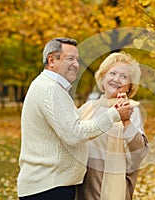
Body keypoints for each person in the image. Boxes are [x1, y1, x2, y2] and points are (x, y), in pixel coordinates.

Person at [17, 38, 133, 200]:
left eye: (77, 60)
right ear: (51, 60)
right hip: (48, 188)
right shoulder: (50, 89)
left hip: (53, 186)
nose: (76, 65)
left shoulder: (51, 88)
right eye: (70, 58)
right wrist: (114, 115)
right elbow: (75, 134)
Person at [77, 52, 148, 200]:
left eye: (124, 76)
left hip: (112, 187)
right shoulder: (87, 108)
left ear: (130, 86)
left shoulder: (131, 110)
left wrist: (126, 121)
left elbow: (139, 154)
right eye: (113, 73)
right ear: (103, 77)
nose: (116, 79)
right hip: (83, 185)